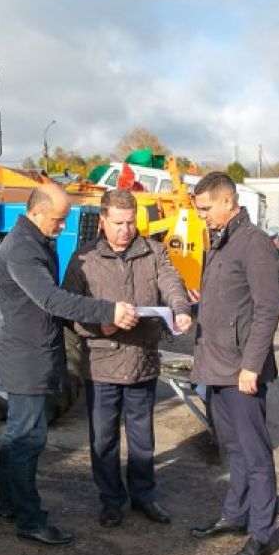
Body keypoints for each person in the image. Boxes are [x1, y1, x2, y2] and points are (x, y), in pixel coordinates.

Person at [0, 183, 139, 547]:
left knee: (16, 438)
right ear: (37, 212)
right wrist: (108, 310)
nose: (61, 226)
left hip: (27, 354)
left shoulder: (35, 240)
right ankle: (29, 519)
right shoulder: (24, 249)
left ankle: (10, 506)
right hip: (26, 360)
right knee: (28, 439)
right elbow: (51, 299)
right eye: (57, 220)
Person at [63, 188, 192, 527]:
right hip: (102, 364)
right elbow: (70, 309)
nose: (125, 230)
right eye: (118, 223)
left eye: (131, 223)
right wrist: (100, 327)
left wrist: (180, 310)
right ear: (102, 220)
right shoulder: (83, 259)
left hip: (141, 360)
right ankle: (110, 500)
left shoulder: (154, 251)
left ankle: (144, 496)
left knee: (142, 437)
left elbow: (173, 284)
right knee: (103, 439)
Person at [187, 172, 279, 555]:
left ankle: (262, 534)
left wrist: (251, 366)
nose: (202, 217)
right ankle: (235, 515)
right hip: (216, 366)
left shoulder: (254, 244)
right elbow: (231, 298)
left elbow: (267, 310)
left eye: (206, 209)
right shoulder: (222, 241)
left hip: (242, 370)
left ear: (228, 202)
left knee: (256, 455)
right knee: (234, 450)